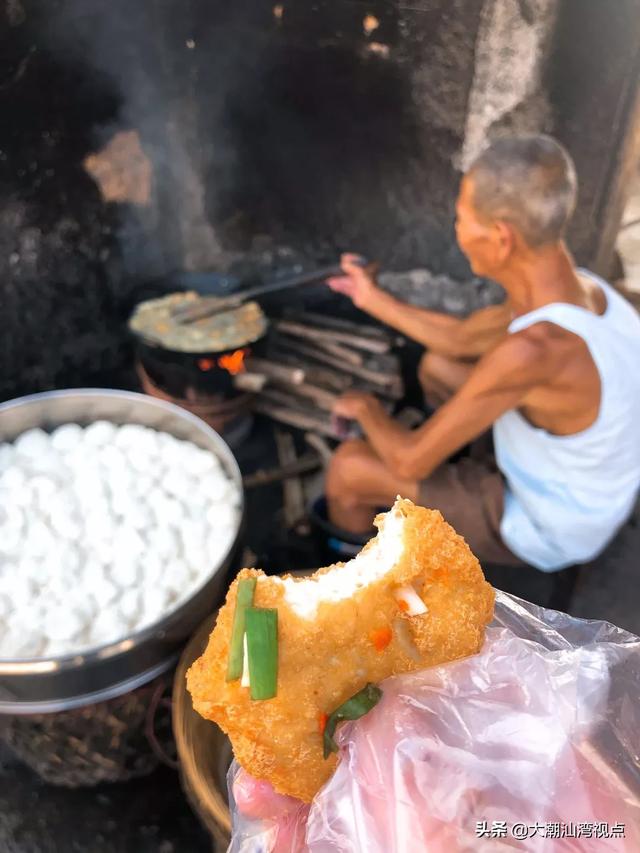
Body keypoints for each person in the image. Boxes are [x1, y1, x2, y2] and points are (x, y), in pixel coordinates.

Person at [325, 134, 640, 575]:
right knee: (437, 366)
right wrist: (369, 296)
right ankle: (453, 474)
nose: (457, 230)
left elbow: (408, 459)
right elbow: (459, 340)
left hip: (552, 523)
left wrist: (365, 407)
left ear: (500, 238)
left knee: (348, 469)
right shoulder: (581, 289)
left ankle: (355, 589)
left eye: (461, 218)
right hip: (589, 481)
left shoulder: (535, 350)